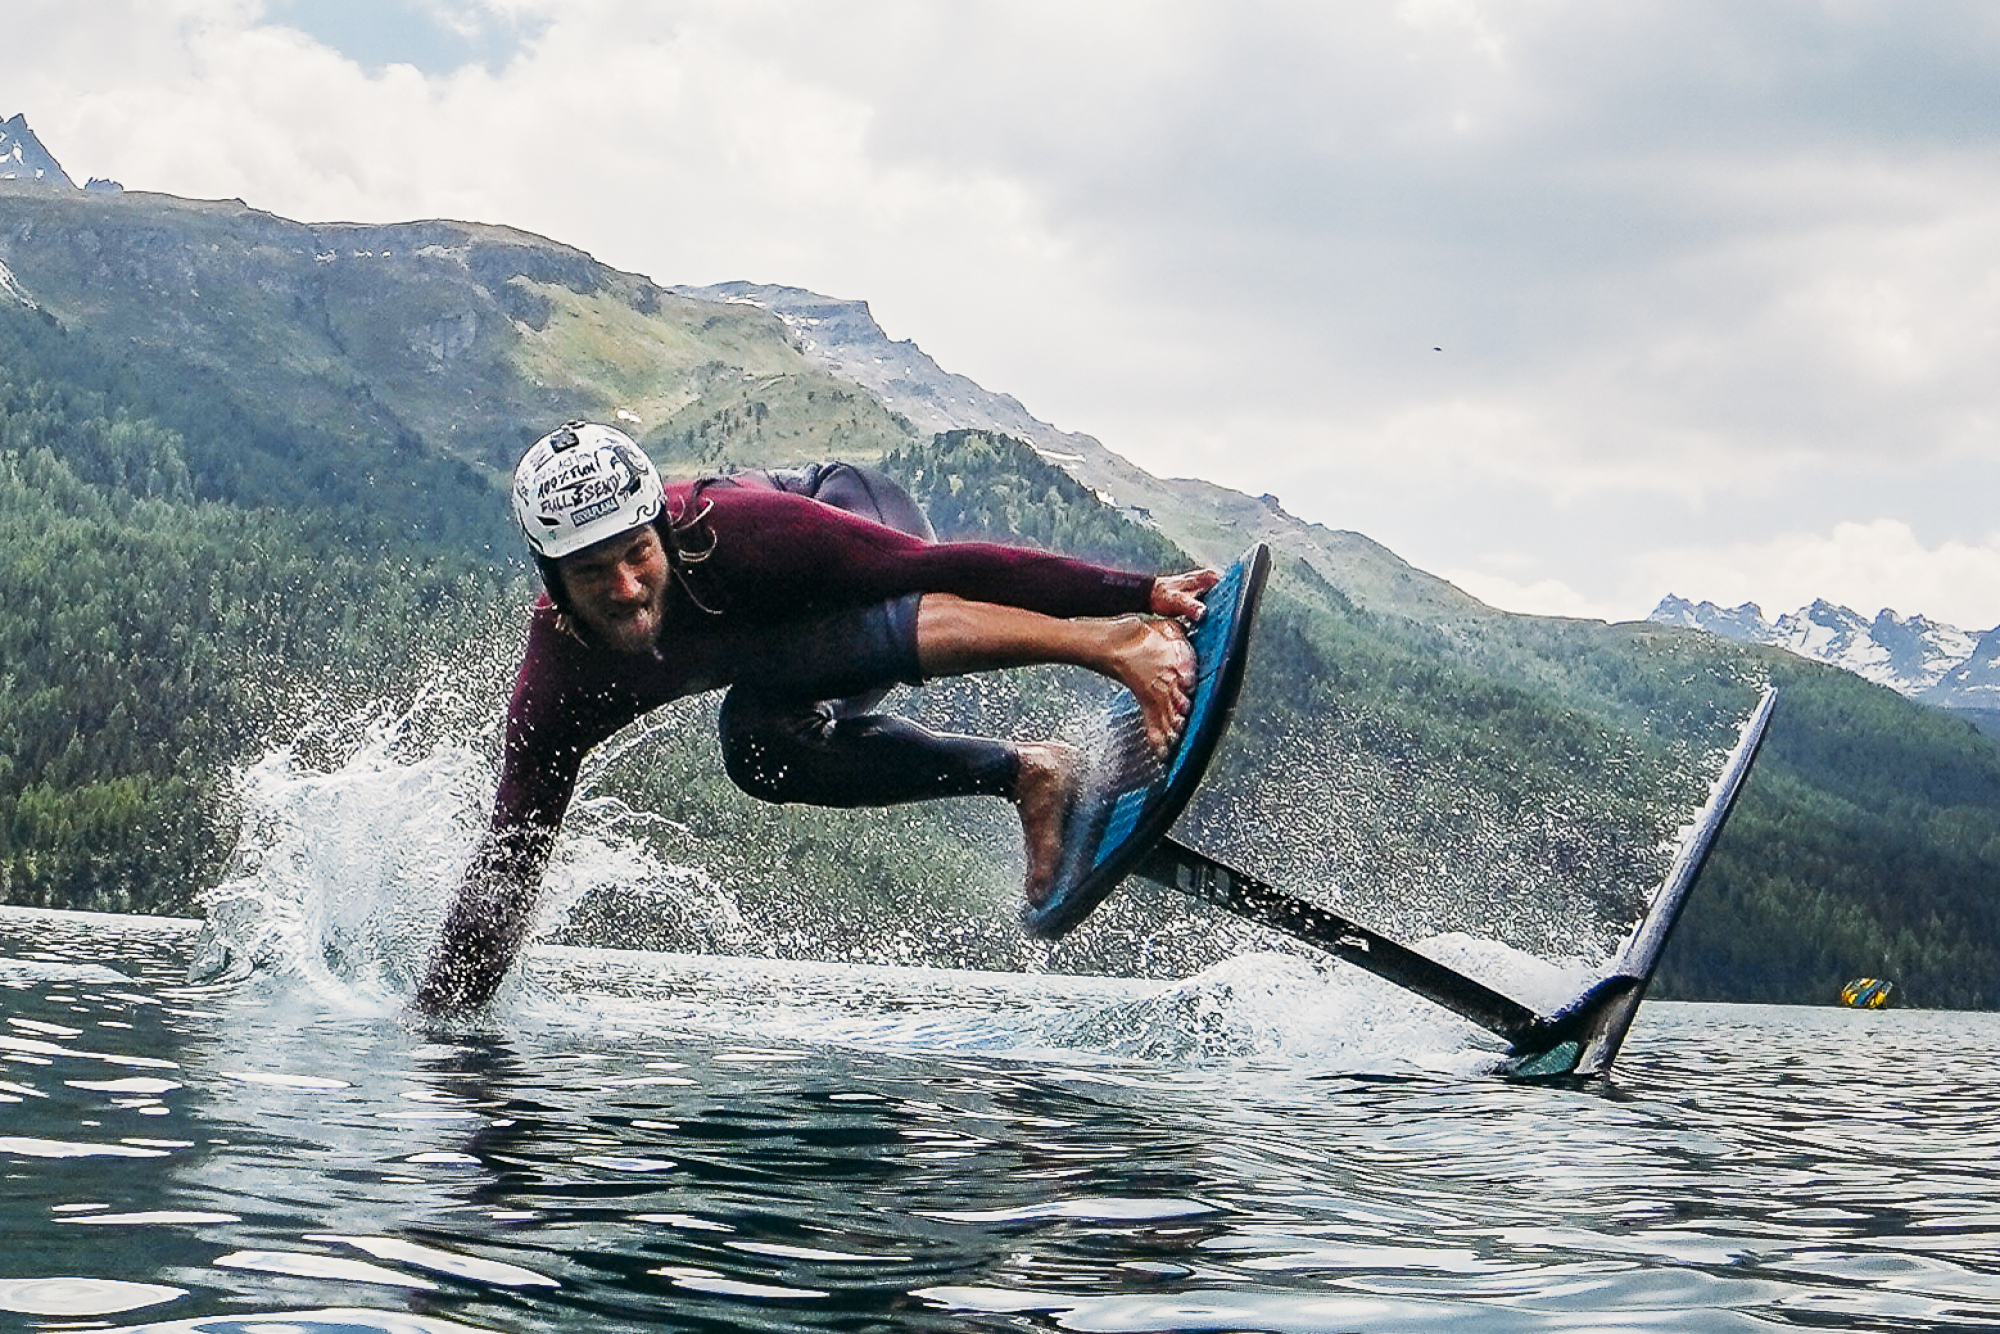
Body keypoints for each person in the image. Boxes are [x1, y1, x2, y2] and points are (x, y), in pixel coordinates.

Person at [414, 421, 1218, 1013]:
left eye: (637, 554)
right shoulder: (559, 687)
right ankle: (1030, 771)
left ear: (662, 531)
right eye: (594, 573)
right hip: (784, 660)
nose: (626, 587)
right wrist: (445, 1020)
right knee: (757, 748)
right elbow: (510, 861)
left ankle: (1113, 644)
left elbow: (947, 566)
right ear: (553, 582)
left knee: (822, 641)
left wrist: (1134, 594)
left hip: (865, 530)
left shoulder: (737, 535)